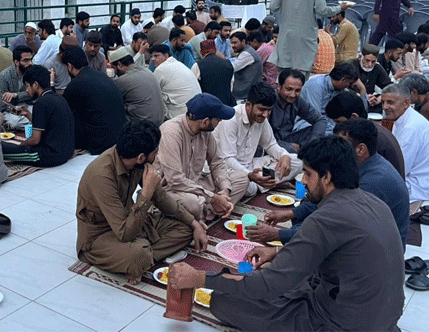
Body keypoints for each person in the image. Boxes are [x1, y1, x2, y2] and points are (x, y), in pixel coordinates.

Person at [167, 135, 405, 332]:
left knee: (225, 301)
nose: (303, 181)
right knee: (289, 278)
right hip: (380, 317)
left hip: (340, 323)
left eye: (308, 174)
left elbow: (269, 285)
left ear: (327, 177)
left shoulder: (326, 218)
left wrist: (200, 279)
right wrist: (278, 252)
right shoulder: (373, 203)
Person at [76, 120, 208, 285]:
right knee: (139, 253)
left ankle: (138, 259)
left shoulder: (137, 164)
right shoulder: (101, 175)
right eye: (155, 152)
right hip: (99, 237)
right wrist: (145, 194)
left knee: (186, 227)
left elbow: (161, 198)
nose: (157, 155)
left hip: (130, 222)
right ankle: (138, 258)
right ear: (141, 157)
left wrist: (194, 223)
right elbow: (124, 233)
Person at [251, 119, 410, 249]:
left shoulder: (372, 183)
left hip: (371, 257)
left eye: (341, 144)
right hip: (360, 237)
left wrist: (278, 236)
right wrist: (292, 213)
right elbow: (329, 204)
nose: (334, 149)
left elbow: (331, 229)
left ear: (361, 149)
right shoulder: (361, 166)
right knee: (305, 211)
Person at [158, 94, 249, 221]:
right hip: (173, 190)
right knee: (193, 204)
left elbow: (217, 162)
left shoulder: (204, 132)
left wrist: (225, 190)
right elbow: (175, 180)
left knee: (241, 179)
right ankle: (209, 211)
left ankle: (206, 213)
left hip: (197, 186)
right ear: (205, 121)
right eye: (218, 119)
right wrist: (212, 198)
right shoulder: (171, 133)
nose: (220, 122)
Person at [216, 82, 303, 196]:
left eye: (269, 110)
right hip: (230, 170)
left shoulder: (261, 118)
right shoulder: (231, 119)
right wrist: (250, 175)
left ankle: (265, 184)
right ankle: (270, 184)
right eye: (262, 109)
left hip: (252, 166)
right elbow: (228, 159)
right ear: (248, 105)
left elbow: (270, 144)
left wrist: (284, 156)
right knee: (247, 186)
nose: (266, 114)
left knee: (297, 161)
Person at [268, 0, 347, 78]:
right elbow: (323, 10)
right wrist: (339, 8)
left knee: (283, 79)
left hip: (286, 40)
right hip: (305, 42)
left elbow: (273, 6)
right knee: (300, 79)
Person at [1, 65, 75, 167]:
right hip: (68, 151)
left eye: (27, 86)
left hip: (50, 155)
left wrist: (21, 145)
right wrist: (27, 114)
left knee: (1, 147)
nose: (26, 90)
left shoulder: (41, 103)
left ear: (35, 85)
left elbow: (35, 140)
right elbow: (46, 124)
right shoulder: (58, 98)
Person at [324, 90, 406, 177]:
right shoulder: (371, 130)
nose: (337, 127)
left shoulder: (370, 137)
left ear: (353, 117)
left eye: (339, 122)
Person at [381, 83, 429, 202]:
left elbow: (399, 169)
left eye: (390, 102)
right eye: (383, 102)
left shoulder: (411, 128)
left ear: (406, 103)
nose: (384, 107)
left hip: (419, 185)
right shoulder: (402, 118)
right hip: (412, 177)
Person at [62, 47, 126, 154]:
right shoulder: (101, 76)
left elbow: (62, 110)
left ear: (69, 66)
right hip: (118, 133)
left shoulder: (76, 84)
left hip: (100, 141)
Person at [295, 61, 364, 135]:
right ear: (343, 80)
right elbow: (315, 117)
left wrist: (363, 89)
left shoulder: (342, 90)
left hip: (330, 124)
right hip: (307, 123)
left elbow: (360, 111)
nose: (349, 86)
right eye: (349, 83)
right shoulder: (316, 86)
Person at [268, 70, 326, 154]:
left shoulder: (297, 101)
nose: (293, 94)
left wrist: (308, 144)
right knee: (291, 150)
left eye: (297, 90)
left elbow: (320, 120)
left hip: (289, 138)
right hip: (270, 141)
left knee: (319, 135)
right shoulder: (270, 99)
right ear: (279, 86)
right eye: (289, 89)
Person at [109, 48, 165, 126]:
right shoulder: (147, 71)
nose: (114, 72)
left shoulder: (123, 80)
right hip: (160, 121)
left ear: (119, 65)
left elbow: (110, 99)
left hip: (142, 126)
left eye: (113, 68)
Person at [150, 44, 202, 119]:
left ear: (166, 56)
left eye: (156, 56)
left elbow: (153, 94)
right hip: (195, 110)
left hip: (181, 114)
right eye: (152, 56)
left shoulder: (160, 69)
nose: (153, 59)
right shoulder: (178, 64)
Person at [191, 40, 234, 106]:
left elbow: (193, 87)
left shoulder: (198, 65)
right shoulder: (228, 63)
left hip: (206, 105)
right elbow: (231, 84)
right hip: (225, 104)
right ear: (215, 50)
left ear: (201, 52)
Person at [0, 45, 34, 114]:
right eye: (26, 60)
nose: (30, 63)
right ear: (16, 62)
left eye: (31, 60)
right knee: (13, 122)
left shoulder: (33, 72)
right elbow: (4, 100)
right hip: (11, 109)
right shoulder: (4, 76)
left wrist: (16, 95)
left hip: (28, 105)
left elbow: (35, 94)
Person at [230, 31, 263, 100]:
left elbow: (232, 67)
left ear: (243, 41)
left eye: (235, 43)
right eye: (231, 43)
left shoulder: (247, 54)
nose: (233, 46)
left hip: (244, 93)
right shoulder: (248, 51)